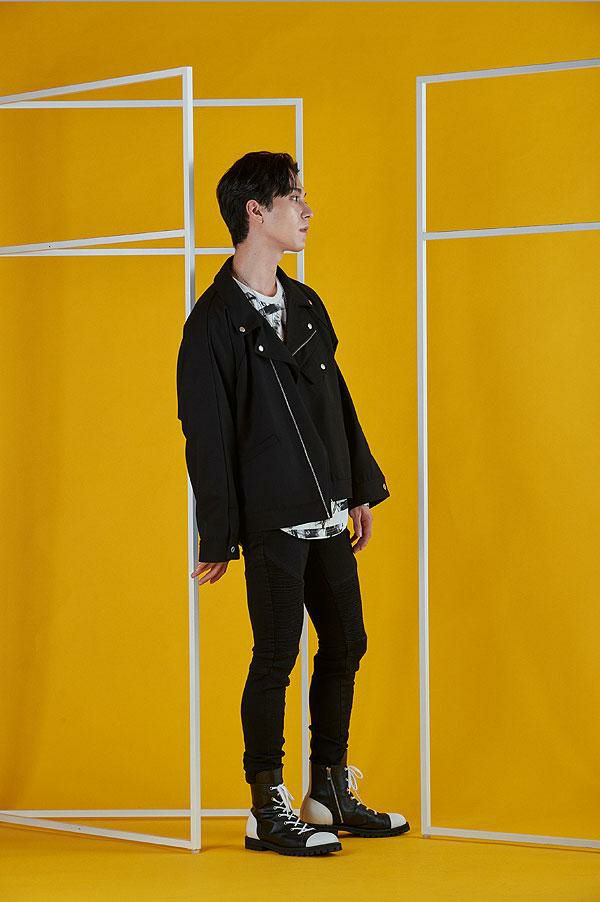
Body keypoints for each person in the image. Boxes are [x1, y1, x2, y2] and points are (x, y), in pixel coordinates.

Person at [176, 151, 409, 856]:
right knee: (276, 655)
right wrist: (218, 536)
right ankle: (266, 804)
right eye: (294, 198)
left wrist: (358, 488)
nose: (306, 210)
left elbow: (337, 400)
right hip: (272, 518)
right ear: (256, 211)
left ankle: (328, 789)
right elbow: (206, 435)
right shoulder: (212, 322)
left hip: (327, 510)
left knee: (347, 642)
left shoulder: (305, 303)